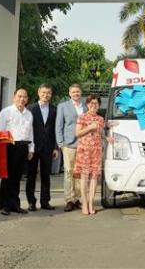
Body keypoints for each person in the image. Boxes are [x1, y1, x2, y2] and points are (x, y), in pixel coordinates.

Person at [0, 88, 34, 216]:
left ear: (27, 99)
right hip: (9, 146)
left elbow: (30, 133)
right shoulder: (6, 112)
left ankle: (15, 204)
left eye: (24, 97)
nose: (22, 99)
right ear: (14, 97)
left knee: (17, 177)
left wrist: (31, 149)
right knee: (7, 176)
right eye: (19, 96)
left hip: (23, 146)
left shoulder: (29, 114)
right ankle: (4, 205)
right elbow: (0, 131)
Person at [73, 94, 108, 215]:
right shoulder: (82, 117)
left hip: (96, 150)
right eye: (91, 103)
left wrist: (107, 138)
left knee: (94, 177)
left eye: (96, 103)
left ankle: (91, 202)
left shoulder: (100, 119)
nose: (94, 105)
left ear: (99, 105)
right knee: (84, 177)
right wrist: (89, 127)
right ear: (87, 104)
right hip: (84, 150)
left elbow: (101, 133)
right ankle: (84, 203)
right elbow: (77, 133)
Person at [26, 84, 58, 211]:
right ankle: (31, 202)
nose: (46, 95)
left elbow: (55, 129)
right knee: (31, 174)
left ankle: (45, 201)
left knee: (46, 175)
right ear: (39, 93)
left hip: (48, 147)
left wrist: (55, 147)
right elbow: (27, 128)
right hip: (33, 146)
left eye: (48, 93)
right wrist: (28, 146)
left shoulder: (54, 109)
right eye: (43, 92)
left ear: (51, 94)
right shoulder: (30, 108)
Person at [55, 84, 86, 212]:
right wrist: (61, 144)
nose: (76, 94)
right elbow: (58, 126)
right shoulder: (63, 106)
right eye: (73, 92)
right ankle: (69, 200)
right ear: (69, 93)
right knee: (69, 172)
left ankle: (78, 199)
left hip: (83, 145)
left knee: (80, 173)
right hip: (68, 145)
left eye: (78, 92)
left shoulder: (85, 107)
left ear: (81, 93)